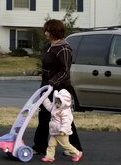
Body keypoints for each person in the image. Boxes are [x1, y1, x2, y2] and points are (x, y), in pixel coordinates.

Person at [32, 19, 83, 160]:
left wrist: (53, 82)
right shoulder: (50, 46)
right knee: (44, 116)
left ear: (54, 32)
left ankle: (76, 149)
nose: (45, 33)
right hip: (46, 87)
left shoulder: (64, 48)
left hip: (60, 89)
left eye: (47, 30)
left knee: (64, 118)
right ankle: (39, 147)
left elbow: (65, 71)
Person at [40, 89, 82, 162]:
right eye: (55, 101)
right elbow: (49, 106)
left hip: (62, 132)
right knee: (51, 144)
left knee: (66, 145)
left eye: (58, 102)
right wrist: (44, 98)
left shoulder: (64, 111)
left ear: (64, 102)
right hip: (55, 131)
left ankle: (77, 153)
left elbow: (66, 122)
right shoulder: (55, 107)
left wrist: (63, 130)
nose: (56, 103)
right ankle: (50, 157)